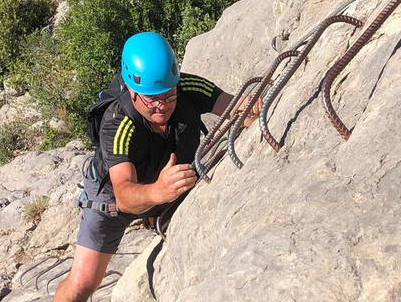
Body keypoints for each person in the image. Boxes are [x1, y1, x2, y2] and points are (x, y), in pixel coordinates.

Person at [53, 31, 256, 302]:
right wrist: (158, 193)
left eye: (168, 94)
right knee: (82, 284)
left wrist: (253, 109)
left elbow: (240, 107)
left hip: (166, 180)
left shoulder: (186, 88)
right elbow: (124, 195)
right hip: (112, 196)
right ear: (132, 90)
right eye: (151, 98)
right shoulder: (117, 122)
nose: (161, 105)